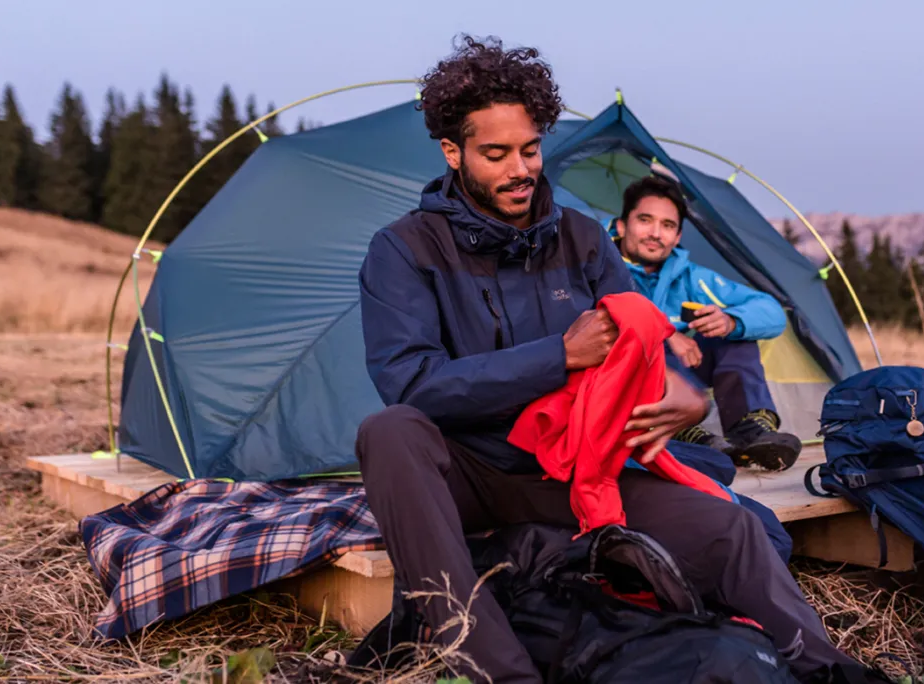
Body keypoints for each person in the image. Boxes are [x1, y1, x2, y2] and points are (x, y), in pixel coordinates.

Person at [355, 36, 858, 684]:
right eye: (496, 153)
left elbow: (639, 336)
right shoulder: (402, 249)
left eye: (531, 149)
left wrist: (684, 393)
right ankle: (498, 668)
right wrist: (558, 356)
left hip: (578, 463)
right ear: (452, 152)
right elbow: (414, 384)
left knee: (733, 530)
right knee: (390, 433)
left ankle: (835, 671)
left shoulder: (584, 237)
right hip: (472, 471)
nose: (520, 169)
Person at [611, 174, 804, 472]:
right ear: (622, 225)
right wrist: (664, 333)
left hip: (688, 371)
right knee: (640, 346)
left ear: (677, 237)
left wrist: (730, 321)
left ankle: (749, 428)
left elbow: (771, 311)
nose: (655, 233)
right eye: (645, 220)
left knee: (736, 333)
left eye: (667, 225)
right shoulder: (600, 265)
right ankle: (682, 431)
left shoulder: (692, 277)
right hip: (631, 380)